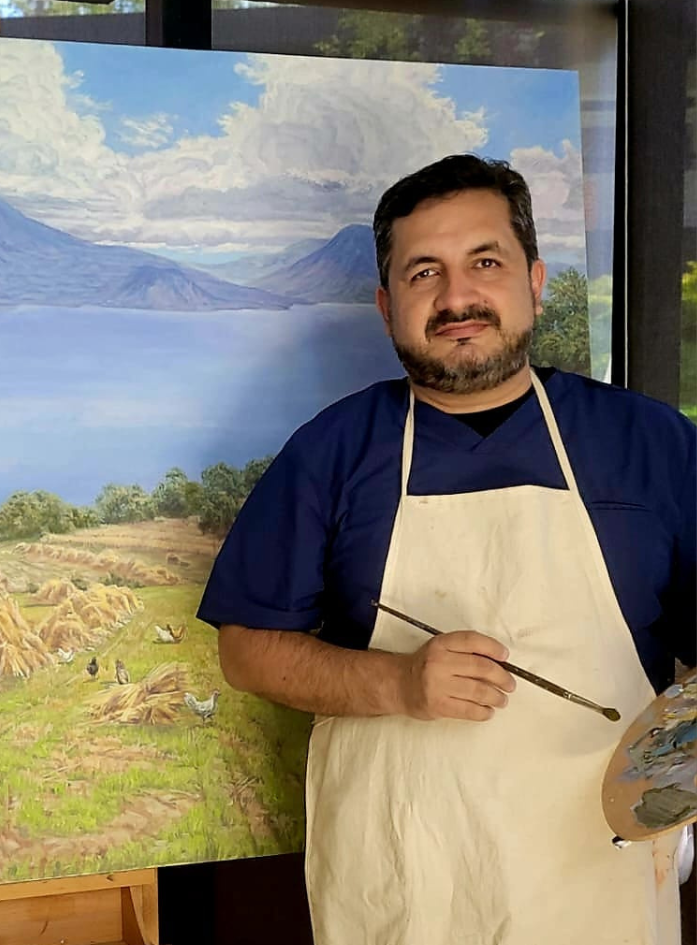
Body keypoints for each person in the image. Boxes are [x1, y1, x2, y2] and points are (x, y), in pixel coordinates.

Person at [197, 153, 696, 945]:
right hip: (406, 877)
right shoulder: (333, 451)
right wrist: (397, 681)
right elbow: (245, 649)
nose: (457, 297)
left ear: (535, 281)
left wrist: (676, 778)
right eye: (424, 272)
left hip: (596, 877)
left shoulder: (649, 442)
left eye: (485, 263)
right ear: (386, 304)